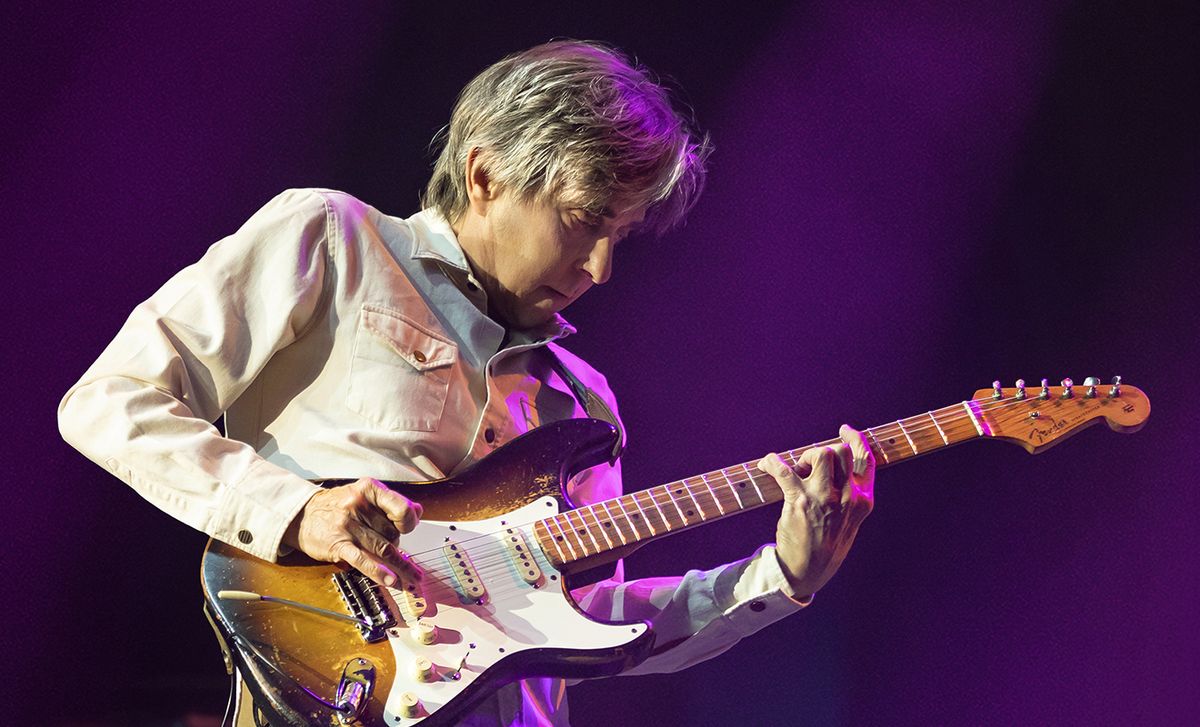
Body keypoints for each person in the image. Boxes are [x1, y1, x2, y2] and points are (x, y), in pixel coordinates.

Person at [58, 40, 875, 726]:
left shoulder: (583, 404)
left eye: (621, 235)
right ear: (485, 175)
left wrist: (781, 575)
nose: (600, 267)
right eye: (584, 220)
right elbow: (110, 400)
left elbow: (593, 624)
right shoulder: (333, 241)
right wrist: (297, 510)